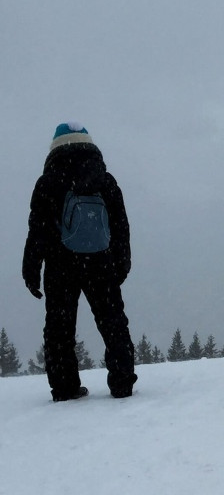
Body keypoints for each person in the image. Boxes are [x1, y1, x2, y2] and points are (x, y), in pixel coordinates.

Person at [22, 122, 137, 401]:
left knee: (59, 328)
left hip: (60, 264)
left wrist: (31, 269)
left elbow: (37, 230)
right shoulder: (105, 180)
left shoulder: (48, 182)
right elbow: (120, 226)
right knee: (113, 322)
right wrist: (122, 263)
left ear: (55, 147)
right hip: (101, 261)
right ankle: (122, 383)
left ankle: (65, 388)